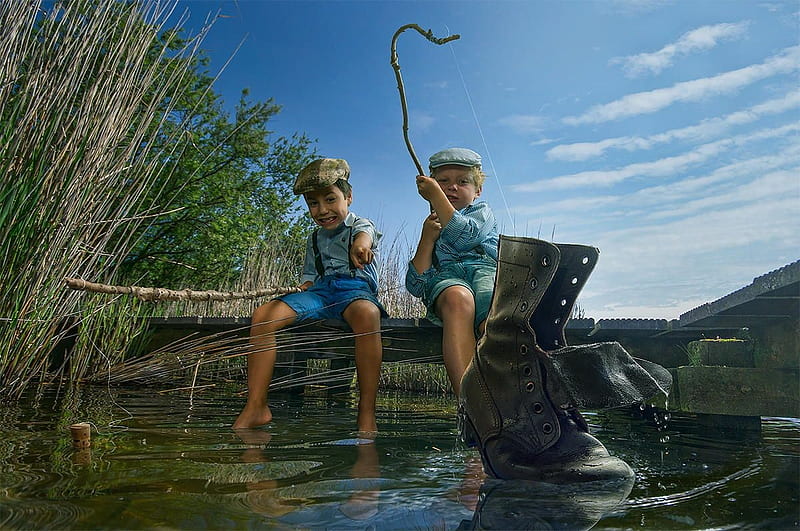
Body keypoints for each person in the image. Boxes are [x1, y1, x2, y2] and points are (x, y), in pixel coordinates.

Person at [233, 158, 386, 435]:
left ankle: (366, 412)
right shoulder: (313, 238)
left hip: (354, 290)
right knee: (263, 315)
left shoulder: (360, 225)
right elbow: (309, 274)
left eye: (330, 199)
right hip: (320, 293)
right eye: (313, 203)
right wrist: (304, 286)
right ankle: (256, 405)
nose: (323, 210)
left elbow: (366, 237)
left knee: (368, 314)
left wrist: (361, 247)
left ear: (348, 197)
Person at [405, 147, 498, 396]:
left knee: (494, 308)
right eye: (443, 182)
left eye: (462, 182)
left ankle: (507, 394)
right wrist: (426, 240)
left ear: (478, 191)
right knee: (458, 298)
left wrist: (437, 195)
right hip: (449, 280)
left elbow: (465, 237)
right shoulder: (432, 223)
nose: (451, 187)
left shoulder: (482, 212)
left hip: (485, 273)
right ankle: (470, 403)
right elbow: (416, 285)